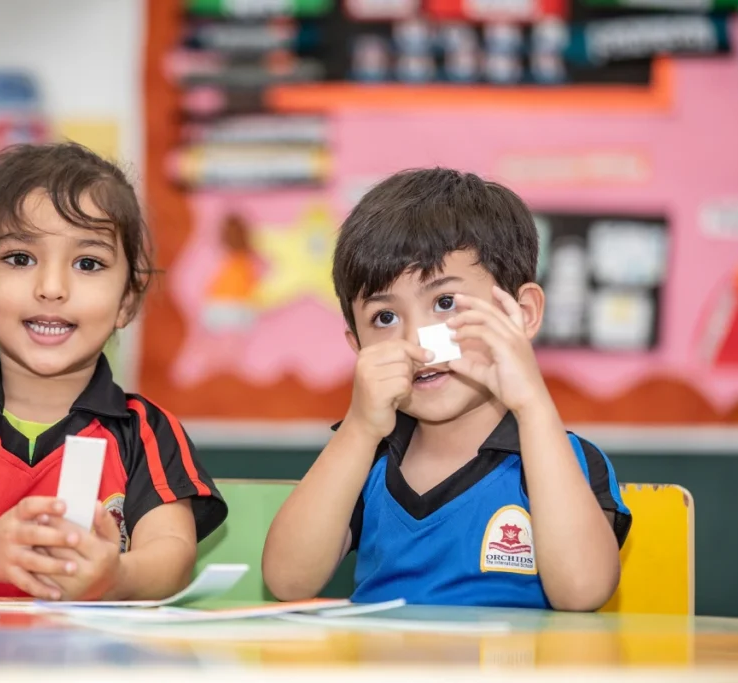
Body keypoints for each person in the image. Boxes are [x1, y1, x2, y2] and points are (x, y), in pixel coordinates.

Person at [0, 142, 226, 601]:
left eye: (87, 263)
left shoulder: (147, 433)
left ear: (127, 302)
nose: (51, 288)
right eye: (20, 258)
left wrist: (117, 577)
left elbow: (172, 554)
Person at [262, 168, 631, 611]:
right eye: (384, 318)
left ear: (522, 313)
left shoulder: (563, 459)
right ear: (357, 346)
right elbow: (287, 580)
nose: (417, 343)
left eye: (445, 303)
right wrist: (359, 428)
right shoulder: (366, 456)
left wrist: (532, 405)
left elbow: (583, 591)